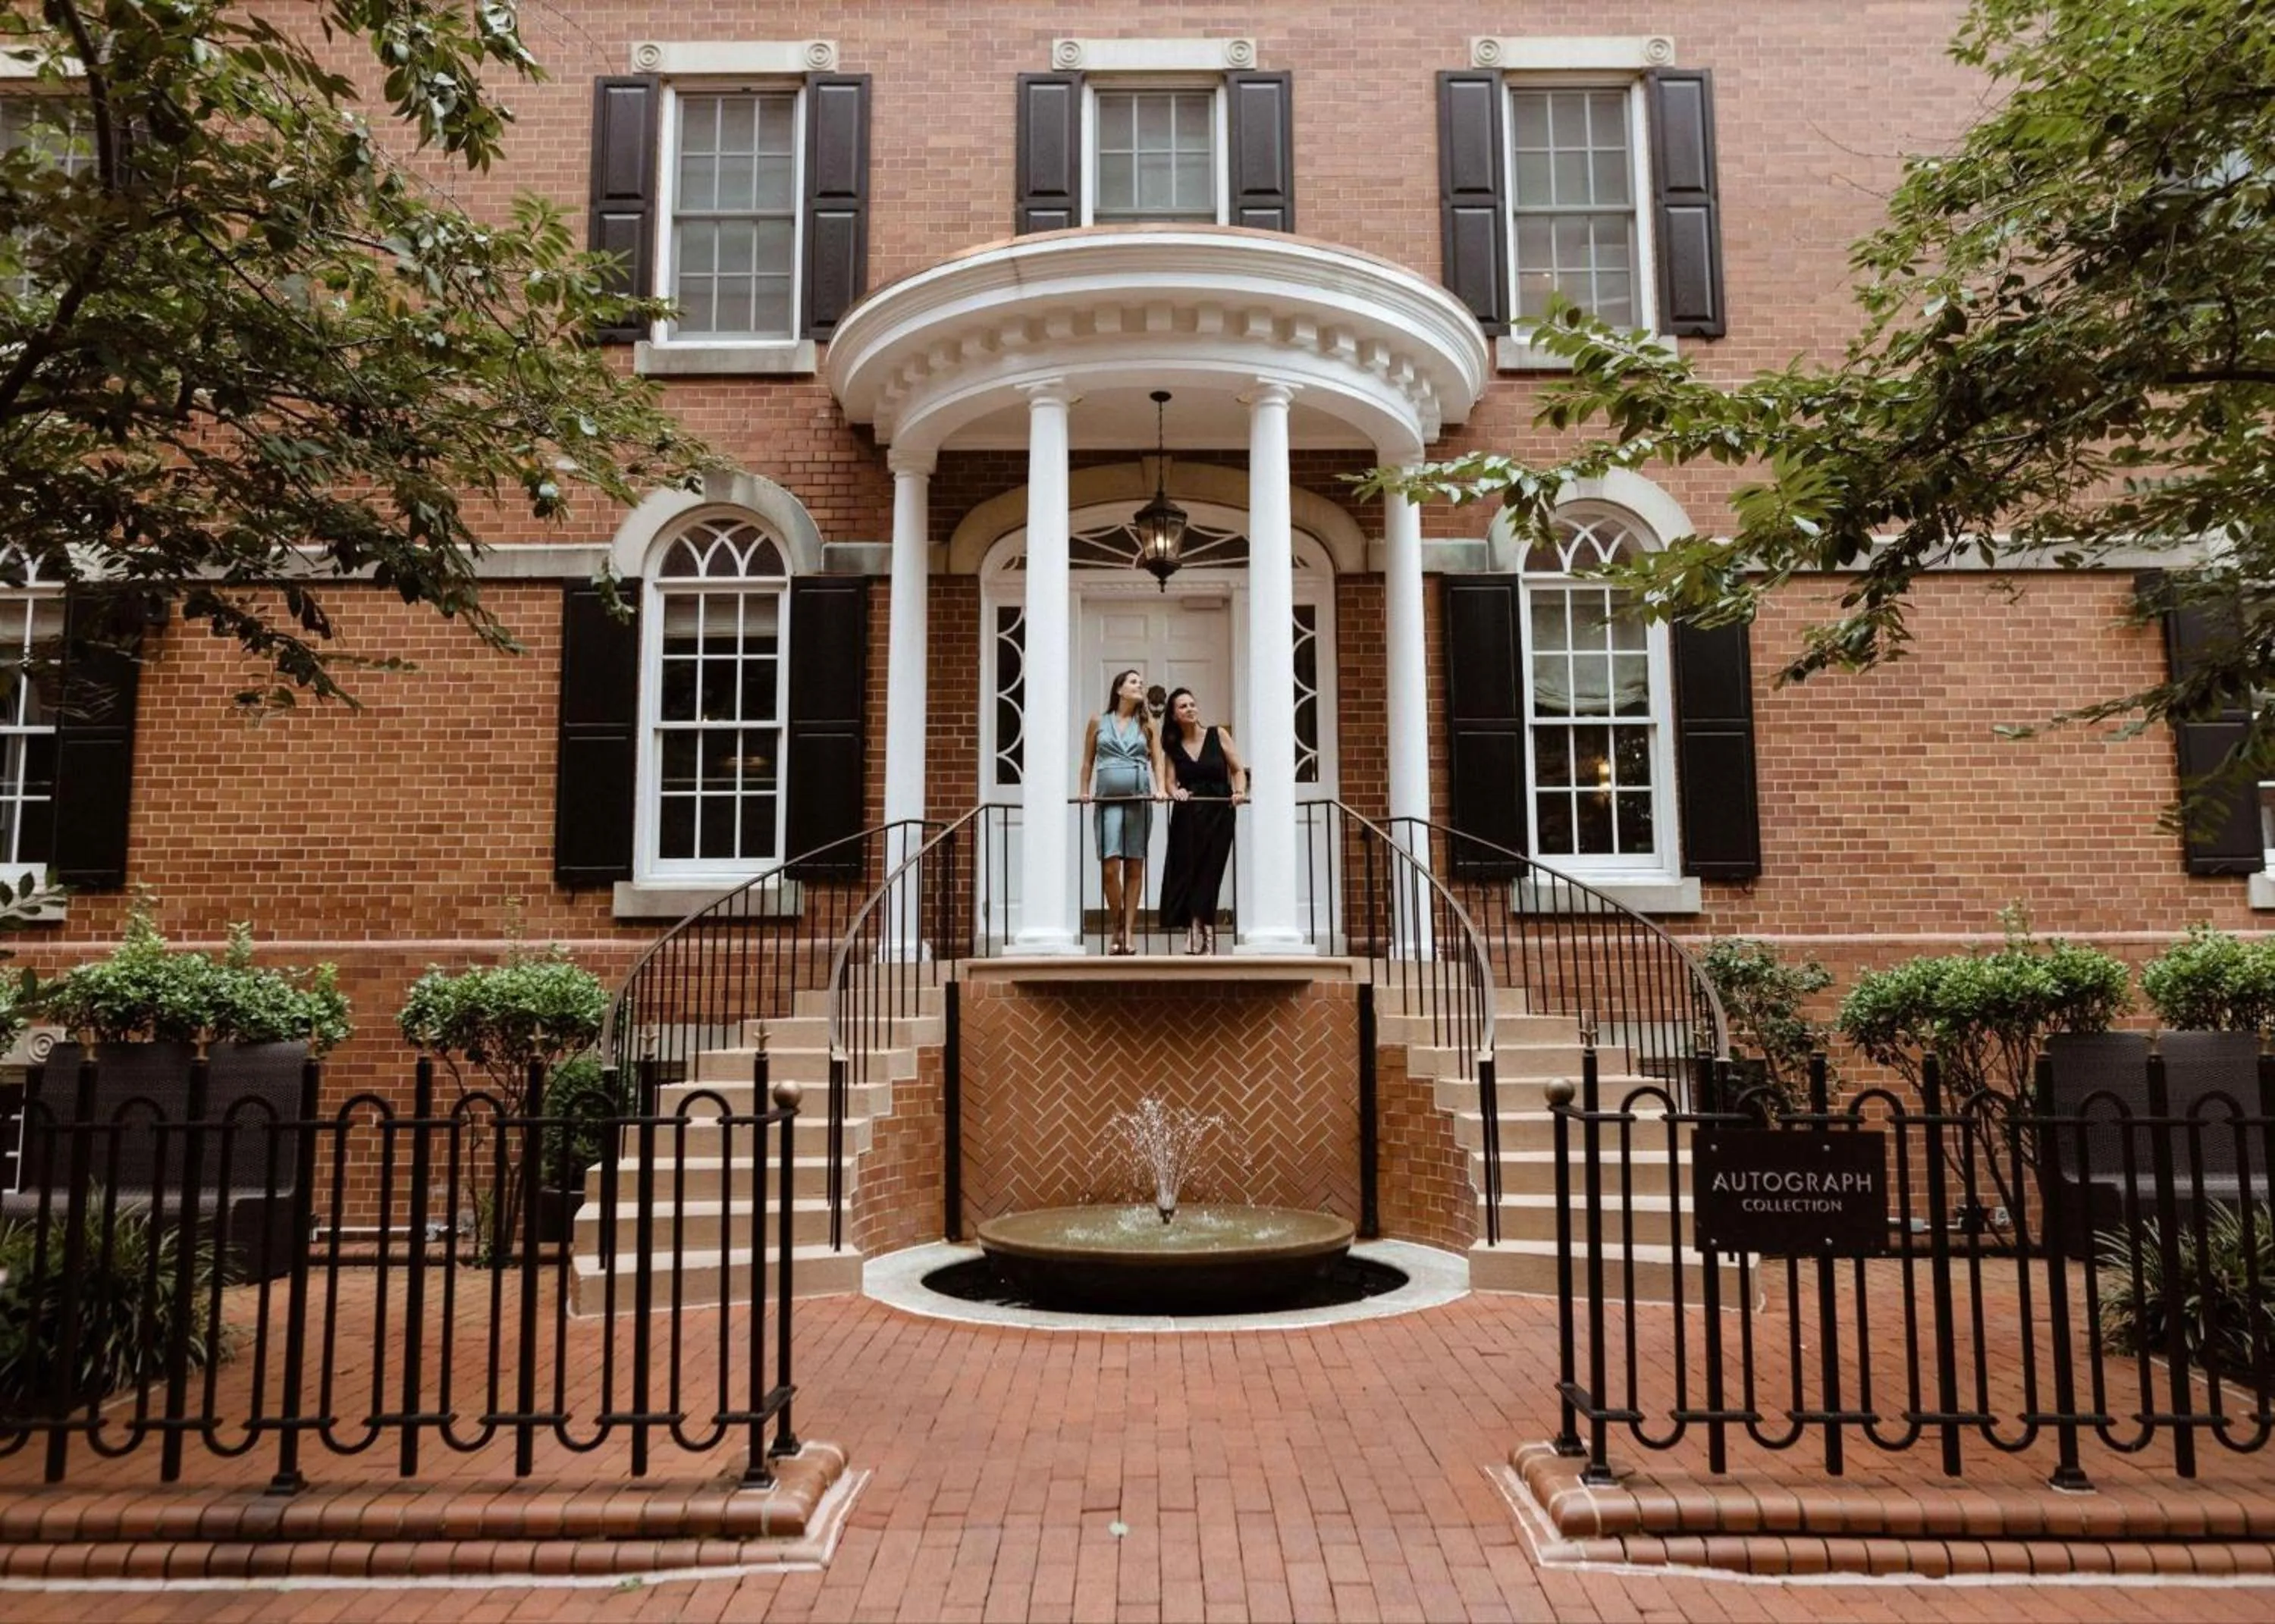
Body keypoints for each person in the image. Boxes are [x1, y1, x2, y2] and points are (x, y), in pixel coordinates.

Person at [1078, 669, 1168, 955]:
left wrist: (1162, 788)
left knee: (1134, 867)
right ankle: (1117, 923)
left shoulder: (1148, 722)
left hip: (1139, 798)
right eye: (1133, 682)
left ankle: (1128, 931)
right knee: (1109, 868)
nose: (1139, 685)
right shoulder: (1098, 721)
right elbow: (1087, 761)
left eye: (1141, 682)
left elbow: (1158, 761)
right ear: (1118, 689)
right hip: (1107, 801)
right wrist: (1083, 789)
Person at [1157, 687, 1247, 955]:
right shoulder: (1172, 747)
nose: (1190, 709)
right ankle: (1195, 930)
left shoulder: (1218, 734)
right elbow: (1170, 783)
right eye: (1183, 706)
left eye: (1192, 704)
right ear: (1174, 715)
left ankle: (1202, 930)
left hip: (1219, 812)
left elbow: (1237, 769)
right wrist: (1177, 792)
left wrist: (1239, 791)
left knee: (1210, 872)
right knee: (1188, 871)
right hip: (1188, 816)